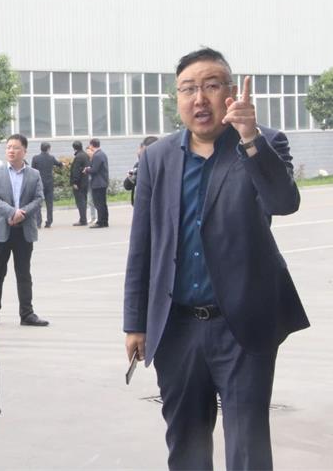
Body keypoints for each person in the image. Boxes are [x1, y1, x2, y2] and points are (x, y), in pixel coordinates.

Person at [123, 48, 310, 470]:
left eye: (210, 86)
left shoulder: (263, 142)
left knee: (248, 448)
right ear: (177, 98)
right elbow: (142, 245)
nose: (199, 98)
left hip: (242, 326)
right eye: (188, 89)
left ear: (230, 92)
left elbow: (283, 202)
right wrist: (135, 321)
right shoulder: (157, 158)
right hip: (176, 329)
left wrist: (250, 138)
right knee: (186, 446)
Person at [0, 134, 48, 327]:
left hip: (24, 231)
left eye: (16, 147)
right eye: (9, 147)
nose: (11, 151)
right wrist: (12, 212)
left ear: (24, 151)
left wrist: (23, 214)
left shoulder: (34, 174)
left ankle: (27, 314)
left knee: (24, 273)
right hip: (1, 230)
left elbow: (39, 198)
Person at [31, 142, 63, 228]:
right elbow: (59, 164)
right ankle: (49, 222)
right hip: (49, 183)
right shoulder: (51, 158)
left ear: (40, 148)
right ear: (48, 149)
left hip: (39, 183)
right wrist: (62, 164)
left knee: (38, 203)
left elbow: (32, 170)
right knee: (49, 204)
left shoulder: (35, 158)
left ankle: (38, 222)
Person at [124, 136, 159, 205]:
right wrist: (131, 178)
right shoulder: (138, 165)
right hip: (140, 204)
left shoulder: (160, 166)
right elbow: (127, 186)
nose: (140, 153)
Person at [85, 138, 109, 228]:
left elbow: (94, 170)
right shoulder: (102, 154)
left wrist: (87, 170)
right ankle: (105, 221)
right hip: (102, 182)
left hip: (98, 183)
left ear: (91, 145)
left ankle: (100, 222)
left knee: (99, 203)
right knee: (103, 203)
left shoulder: (97, 155)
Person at [69, 140, 89, 226]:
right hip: (85, 181)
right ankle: (83, 218)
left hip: (79, 183)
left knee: (80, 202)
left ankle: (83, 220)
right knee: (84, 200)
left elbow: (76, 171)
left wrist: (75, 182)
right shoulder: (85, 155)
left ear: (74, 148)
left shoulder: (78, 157)